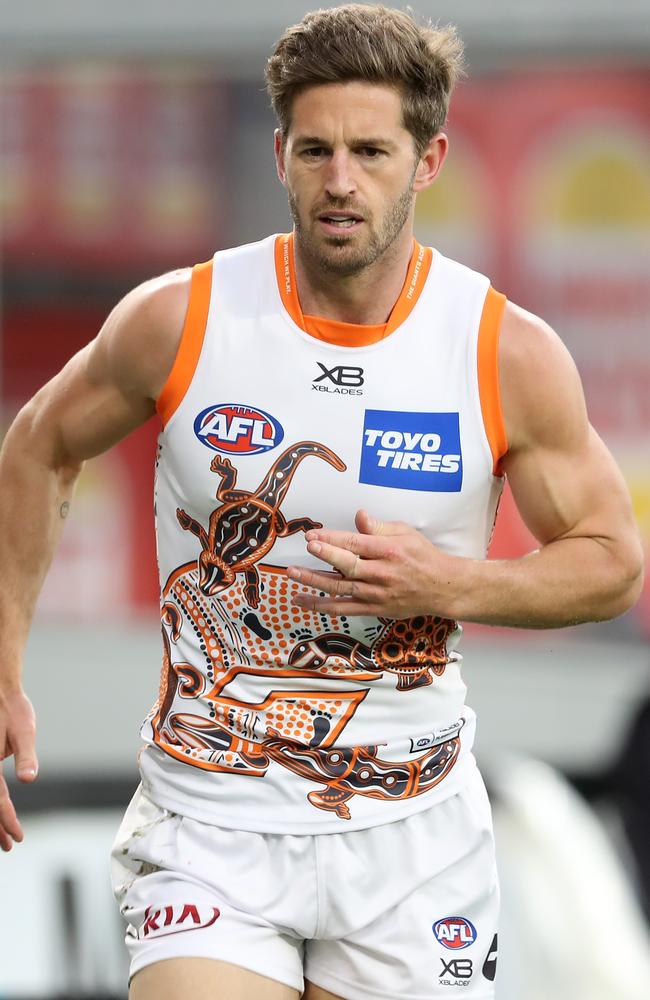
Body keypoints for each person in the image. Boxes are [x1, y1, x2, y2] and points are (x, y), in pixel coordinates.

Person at [0, 5, 643, 999]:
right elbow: (39, 447)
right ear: (279, 155)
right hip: (212, 823)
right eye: (316, 150)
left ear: (427, 162)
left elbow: (609, 560)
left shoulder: (501, 350)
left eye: (370, 151)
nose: (340, 180)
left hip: (409, 832)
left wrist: (450, 581)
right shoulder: (183, 318)